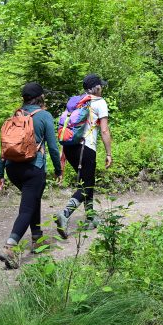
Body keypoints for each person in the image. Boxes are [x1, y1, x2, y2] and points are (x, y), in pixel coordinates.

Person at [0, 82, 63, 268]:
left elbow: (4, 147)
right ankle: (10, 247)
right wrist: (59, 169)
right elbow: (53, 147)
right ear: (40, 97)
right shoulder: (44, 116)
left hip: (12, 169)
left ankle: (37, 239)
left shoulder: (15, 117)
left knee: (33, 200)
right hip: (34, 168)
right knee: (27, 208)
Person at [55, 73, 113, 237]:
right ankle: (64, 214)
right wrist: (109, 153)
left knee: (87, 181)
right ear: (97, 87)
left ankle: (90, 217)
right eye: (101, 85)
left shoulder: (77, 102)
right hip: (85, 148)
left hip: (70, 147)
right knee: (86, 185)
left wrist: (62, 155)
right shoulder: (99, 102)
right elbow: (104, 130)